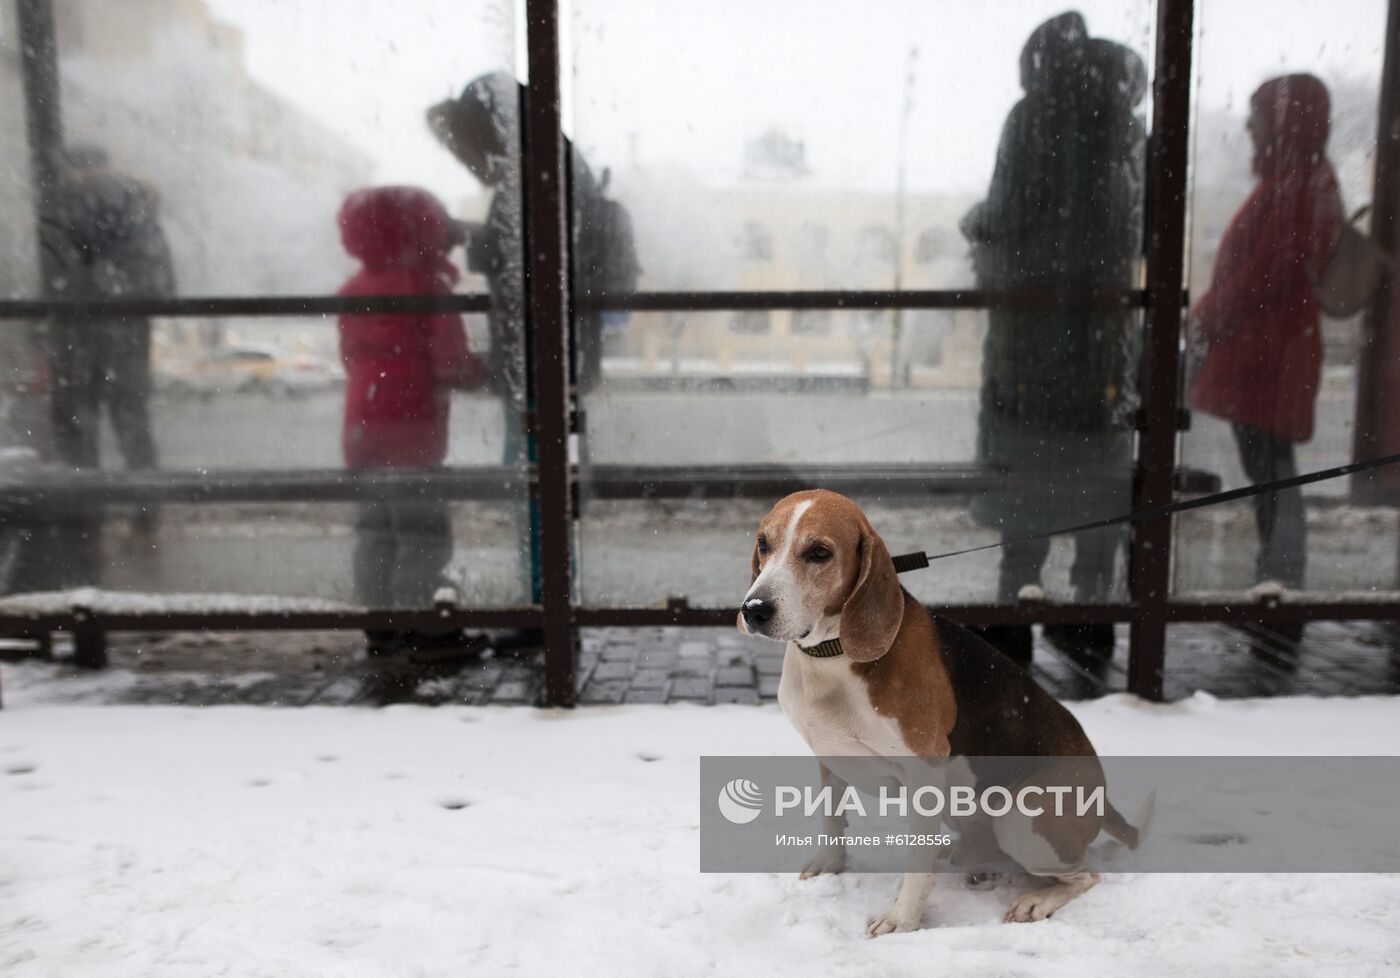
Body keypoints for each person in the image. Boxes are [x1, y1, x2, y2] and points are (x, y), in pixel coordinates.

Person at [427, 71, 638, 653]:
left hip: (543, 362)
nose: (473, 161)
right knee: (540, 487)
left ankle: (545, 612)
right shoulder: (554, 165)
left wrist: (462, 239)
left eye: (472, 145)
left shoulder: (540, 174)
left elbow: (520, 253)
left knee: (536, 488)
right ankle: (546, 603)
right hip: (550, 359)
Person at [960, 13, 1146, 668]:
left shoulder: (1030, 119)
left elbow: (1005, 214)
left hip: (1029, 335)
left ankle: (1019, 603)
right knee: (1098, 466)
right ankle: (1092, 612)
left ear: (1039, 64)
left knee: (1024, 465)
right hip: (1103, 338)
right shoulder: (1128, 123)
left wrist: (973, 222)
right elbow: (1144, 229)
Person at [1190, 75, 1343, 613]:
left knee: (1273, 471)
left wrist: (1207, 314)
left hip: (1267, 358)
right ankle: (1276, 575)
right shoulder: (1298, 181)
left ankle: (1280, 580)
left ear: (1284, 121)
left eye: (1258, 115)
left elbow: (1267, 272)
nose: (1248, 127)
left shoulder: (1298, 184)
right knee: (1270, 470)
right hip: (1266, 354)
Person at [337, 186, 488, 655]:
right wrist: (484, 370)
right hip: (413, 430)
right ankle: (422, 626)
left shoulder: (354, 289)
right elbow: (451, 365)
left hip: (362, 425)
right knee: (422, 532)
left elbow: (351, 357)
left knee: (376, 530)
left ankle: (381, 623)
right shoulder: (426, 289)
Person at [47, 145, 173, 476]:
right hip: (131, 316)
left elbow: (79, 250)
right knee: (130, 412)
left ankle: (87, 506)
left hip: (94, 317)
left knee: (81, 410)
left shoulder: (88, 197)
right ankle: (145, 505)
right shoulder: (137, 199)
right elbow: (157, 271)